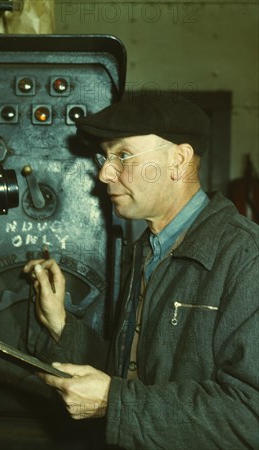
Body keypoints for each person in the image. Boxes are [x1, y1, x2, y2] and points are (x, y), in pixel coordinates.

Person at [23, 94, 259, 449]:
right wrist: (60, 324)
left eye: (122, 155)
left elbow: (249, 416)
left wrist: (113, 403)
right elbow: (131, 371)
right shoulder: (148, 251)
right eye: (105, 157)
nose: (104, 173)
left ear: (177, 161)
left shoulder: (245, 258)